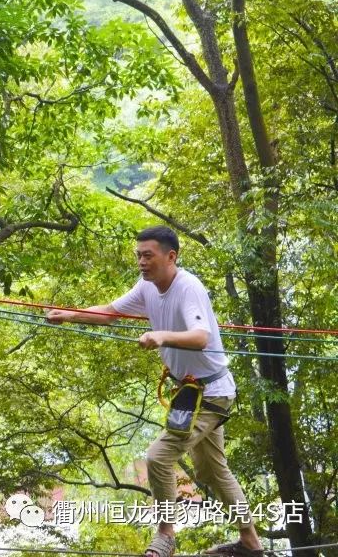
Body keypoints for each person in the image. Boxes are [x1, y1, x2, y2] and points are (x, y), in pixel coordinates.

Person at [46, 226, 264, 557]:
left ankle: (166, 535)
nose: (142, 262)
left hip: (212, 392)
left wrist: (160, 335)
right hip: (189, 392)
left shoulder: (188, 287)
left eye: (148, 255)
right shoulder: (147, 288)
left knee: (158, 457)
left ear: (170, 256)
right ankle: (250, 543)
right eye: (139, 256)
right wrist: (69, 315)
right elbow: (110, 312)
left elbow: (201, 336)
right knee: (211, 470)